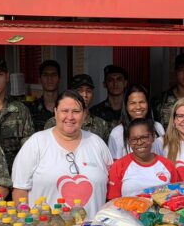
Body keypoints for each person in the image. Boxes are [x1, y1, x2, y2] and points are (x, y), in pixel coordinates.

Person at [12, 90, 112, 218]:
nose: (70, 117)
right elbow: (20, 190)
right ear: (55, 113)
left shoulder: (97, 143)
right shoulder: (36, 143)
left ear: (84, 114)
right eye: (64, 111)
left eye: (76, 111)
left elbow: (112, 186)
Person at [108, 118, 180, 199]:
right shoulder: (119, 166)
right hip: (128, 211)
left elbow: (177, 195)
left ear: (153, 137)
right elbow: (112, 201)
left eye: (144, 137)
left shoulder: (167, 165)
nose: (140, 142)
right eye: (134, 139)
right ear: (128, 141)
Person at [45, 74, 110, 142]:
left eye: (88, 91)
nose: (84, 95)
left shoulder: (101, 125)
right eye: (80, 90)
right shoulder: (54, 123)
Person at [108, 84, 165, 159]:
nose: (138, 107)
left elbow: (164, 157)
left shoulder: (157, 127)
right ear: (126, 106)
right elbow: (115, 165)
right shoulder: (117, 132)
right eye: (133, 103)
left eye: (142, 102)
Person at [91, 65, 128, 129]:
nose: (115, 84)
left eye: (119, 80)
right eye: (110, 80)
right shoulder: (95, 112)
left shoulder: (132, 109)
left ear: (125, 83)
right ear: (104, 84)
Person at [28, 60, 61, 131]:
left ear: (59, 79)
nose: (50, 79)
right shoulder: (32, 109)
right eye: (45, 75)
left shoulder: (67, 107)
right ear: (40, 80)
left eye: (53, 75)